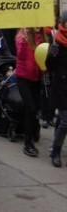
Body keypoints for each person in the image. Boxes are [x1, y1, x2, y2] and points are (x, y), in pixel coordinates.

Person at [14, 27, 46, 157]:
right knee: (30, 109)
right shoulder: (21, 35)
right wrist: (25, 41)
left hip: (37, 78)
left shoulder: (43, 36)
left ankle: (34, 130)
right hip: (23, 77)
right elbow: (20, 55)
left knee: (35, 109)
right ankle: (28, 143)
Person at [45, 10, 67, 167]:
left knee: (61, 119)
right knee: (65, 121)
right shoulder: (57, 41)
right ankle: (56, 152)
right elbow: (48, 66)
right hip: (61, 87)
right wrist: (51, 55)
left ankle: (54, 145)